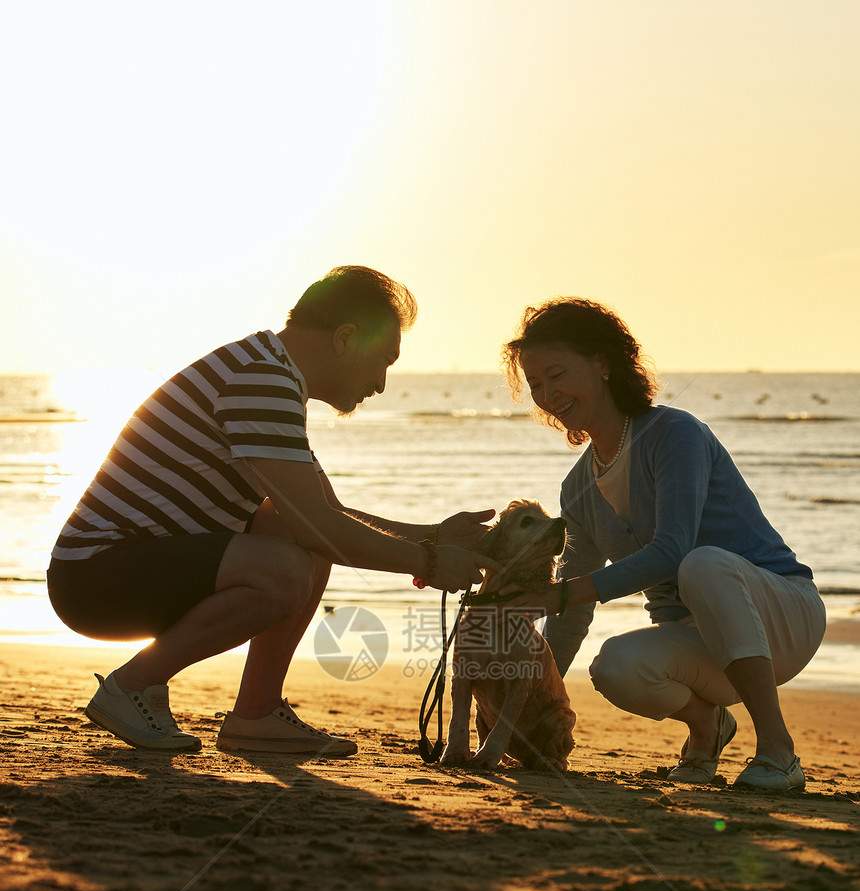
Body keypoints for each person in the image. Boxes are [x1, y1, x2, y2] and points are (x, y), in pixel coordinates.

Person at [48, 266, 496, 756]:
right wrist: (426, 564)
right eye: (383, 361)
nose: (382, 384)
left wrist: (433, 537)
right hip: (93, 578)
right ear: (345, 339)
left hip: (123, 569)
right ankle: (131, 686)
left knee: (295, 537)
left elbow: (322, 513)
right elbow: (321, 525)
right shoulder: (261, 378)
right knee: (285, 567)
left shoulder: (268, 370)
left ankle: (256, 714)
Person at [501, 298, 826, 792]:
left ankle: (778, 751)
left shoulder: (675, 434)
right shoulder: (577, 489)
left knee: (702, 564)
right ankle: (708, 725)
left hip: (784, 618)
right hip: (705, 648)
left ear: (602, 363)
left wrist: (564, 594)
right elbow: (569, 611)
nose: (547, 394)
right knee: (613, 666)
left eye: (557, 374)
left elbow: (671, 551)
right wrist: (535, 699)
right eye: (536, 385)